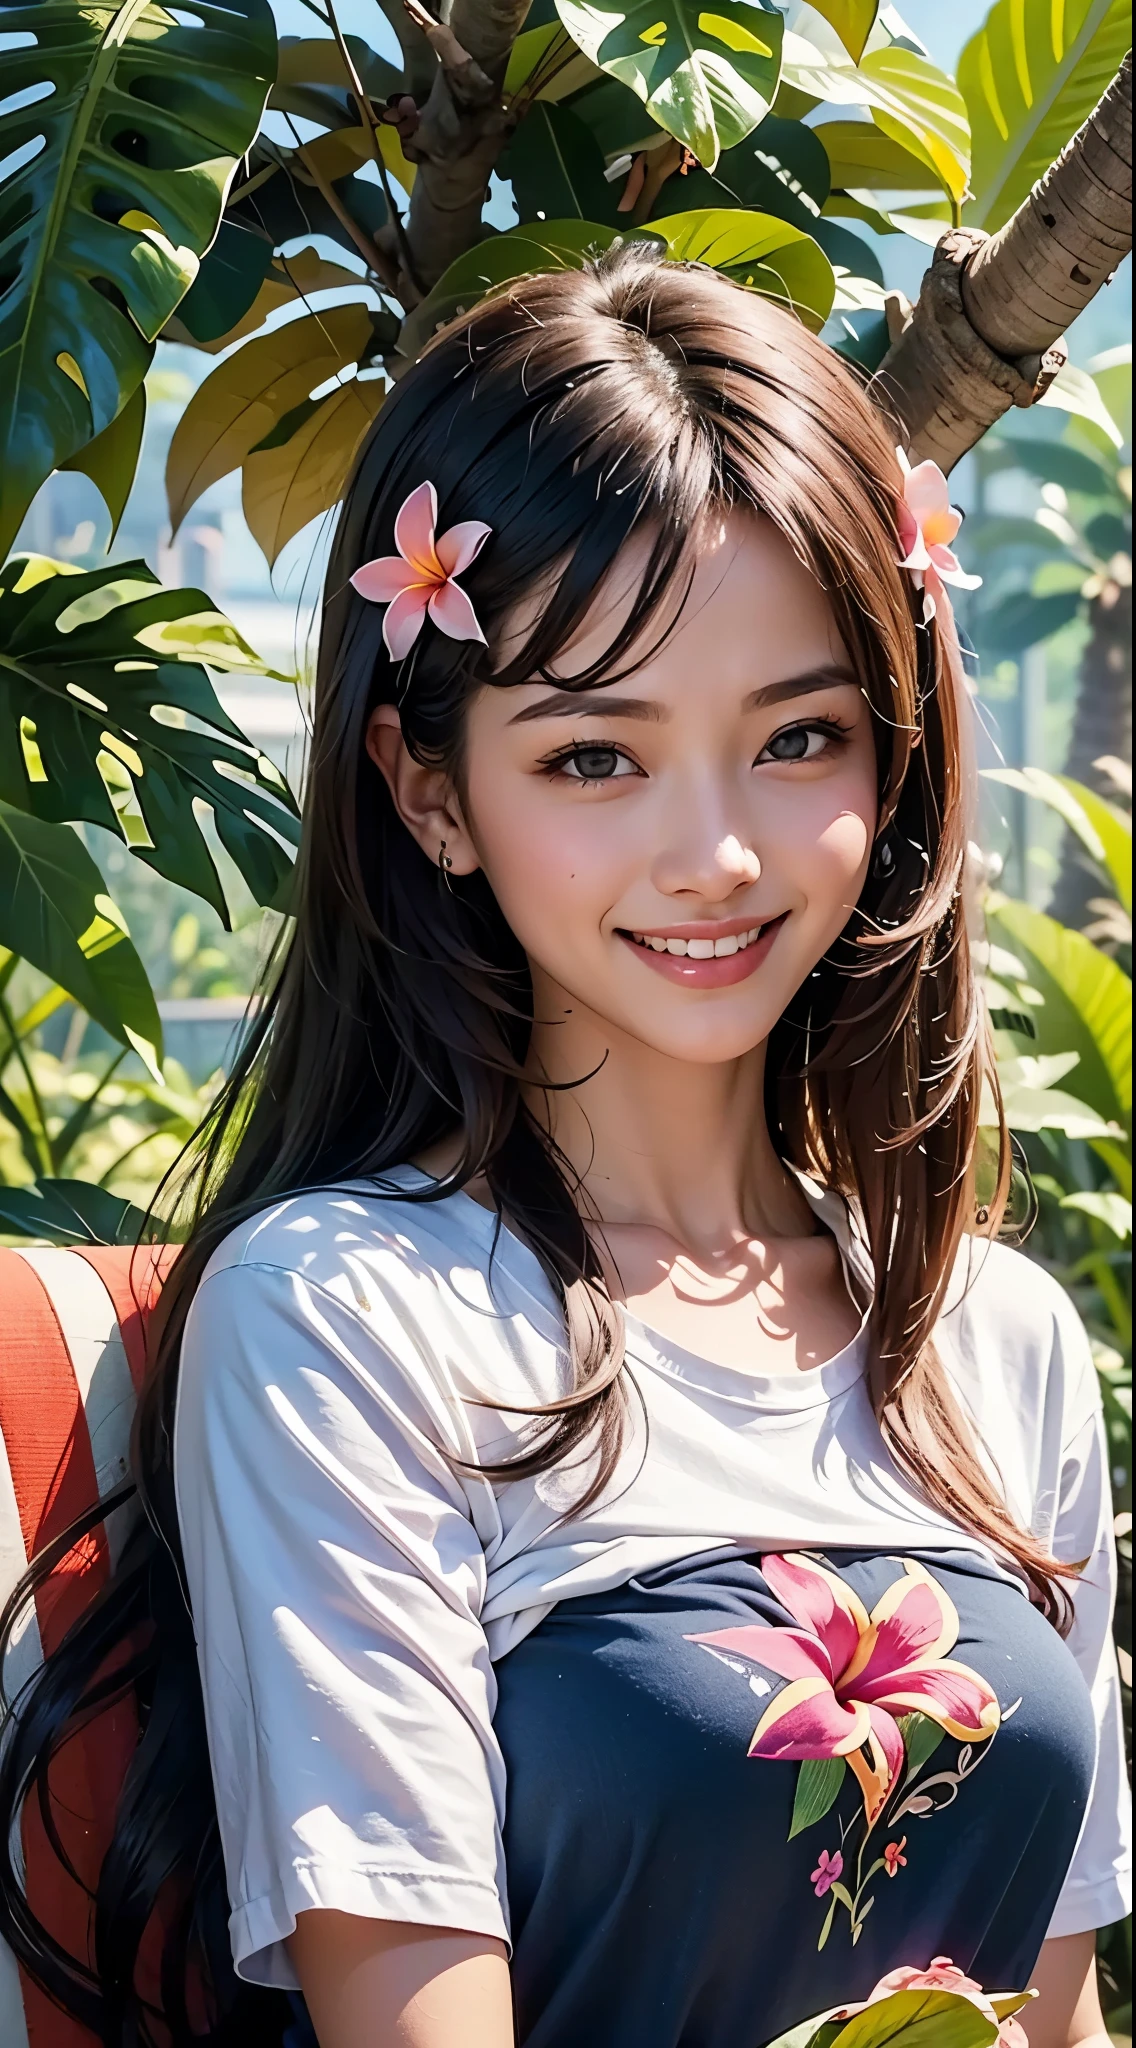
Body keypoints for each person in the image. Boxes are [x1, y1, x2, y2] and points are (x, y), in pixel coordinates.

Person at [0, 247, 1128, 2048]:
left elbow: (1050, 2019)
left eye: (799, 739)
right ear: (433, 789)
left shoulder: (995, 1346)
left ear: (891, 758)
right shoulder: (349, 1323)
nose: (718, 855)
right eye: (597, 757)